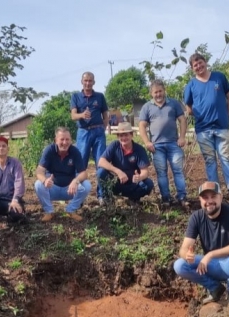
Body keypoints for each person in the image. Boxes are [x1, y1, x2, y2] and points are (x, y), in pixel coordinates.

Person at [174, 181, 229, 308]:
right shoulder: (196, 217)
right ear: (200, 200)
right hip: (209, 266)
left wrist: (210, 254)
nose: (209, 201)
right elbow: (184, 248)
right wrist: (187, 255)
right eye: (205, 197)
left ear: (220, 197)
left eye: (213, 196)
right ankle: (214, 288)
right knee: (180, 265)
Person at [184, 53, 229, 206]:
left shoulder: (219, 77)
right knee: (210, 161)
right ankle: (216, 194)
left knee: (226, 159)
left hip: (221, 127)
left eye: (200, 62)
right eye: (195, 65)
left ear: (205, 62)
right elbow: (188, 107)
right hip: (203, 130)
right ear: (192, 69)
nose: (199, 66)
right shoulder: (191, 85)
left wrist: (226, 115)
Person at [139, 79, 189, 209]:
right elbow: (142, 126)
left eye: (160, 91)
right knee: (161, 173)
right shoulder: (147, 107)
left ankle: (182, 197)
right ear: (151, 93)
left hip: (174, 144)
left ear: (164, 90)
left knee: (178, 171)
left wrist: (182, 137)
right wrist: (146, 142)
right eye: (155, 92)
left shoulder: (173, 104)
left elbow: (182, 120)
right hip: (157, 146)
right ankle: (166, 198)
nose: (158, 94)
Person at [34, 127, 91, 222]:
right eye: (62, 139)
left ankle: (71, 210)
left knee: (87, 185)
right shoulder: (49, 150)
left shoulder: (75, 152)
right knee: (38, 184)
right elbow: (39, 171)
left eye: (67, 139)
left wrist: (75, 181)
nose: (65, 142)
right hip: (52, 188)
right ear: (56, 140)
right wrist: (45, 180)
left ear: (71, 140)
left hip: (69, 189)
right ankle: (49, 211)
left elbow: (84, 173)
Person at [70, 72, 109, 201]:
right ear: (82, 81)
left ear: (94, 82)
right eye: (85, 80)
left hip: (98, 131)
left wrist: (102, 128)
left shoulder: (99, 96)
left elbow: (105, 115)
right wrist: (82, 115)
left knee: (101, 163)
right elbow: (73, 116)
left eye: (90, 81)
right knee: (81, 163)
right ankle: (79, 196)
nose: (88, 83)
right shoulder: (76, 96)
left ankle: (102, 195)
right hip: (83, 132)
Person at [97, 122, 154, 205]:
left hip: (133, 184)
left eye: (126, 135)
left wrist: (139, 177)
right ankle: (105, 198)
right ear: (118, 137)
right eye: (121, 135)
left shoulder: (139, 149)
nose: (124, 138)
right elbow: (101, 162)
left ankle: (133, 198)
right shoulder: (114, 145)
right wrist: (118, 171)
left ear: (131, 135)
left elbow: (145, 172)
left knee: (148, 184)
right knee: (100, 172)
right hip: (117, 182)